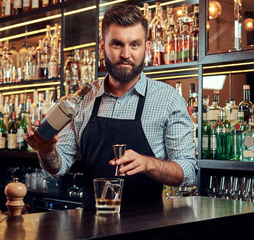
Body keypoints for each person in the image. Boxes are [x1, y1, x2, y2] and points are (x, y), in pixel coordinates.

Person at [28, 3, 197, 209]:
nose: (126, 54)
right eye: (117, 44)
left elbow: (188, 172)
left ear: (148, 47)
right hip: (90, 226)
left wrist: (148, 164)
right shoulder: (82, 99)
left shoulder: (167, 99)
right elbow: (58, 167)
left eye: (135, 44)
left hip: (148, 228)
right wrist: (47, 151)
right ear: (102, 46)